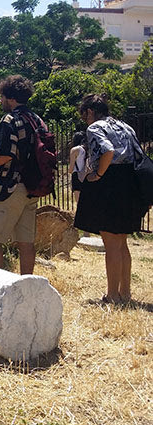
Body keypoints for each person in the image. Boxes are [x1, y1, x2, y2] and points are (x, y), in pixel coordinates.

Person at [74, 94, 146, 304]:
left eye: (85, 116)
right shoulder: (125, 126)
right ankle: (125, 293)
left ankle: (112, 295)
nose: (86, 121)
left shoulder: (95, 127)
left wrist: (98, 175)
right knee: (121, 242)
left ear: (89, 112)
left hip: (110, 183)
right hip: (130, 182)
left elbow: (107, 150)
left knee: (111, 243)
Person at [0, 75, 42, 274]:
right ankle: (27, 284)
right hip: (33, 187)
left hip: (10, 186)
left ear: (11, 97)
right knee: (26, 242)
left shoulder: (10, 120)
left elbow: (5, 155)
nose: (1, 101)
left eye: (3, 97)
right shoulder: (37, 120)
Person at [69, 131, 87, 204]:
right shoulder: (88, 149)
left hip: (77, 175)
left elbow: (71, 168)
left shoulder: (75, 150)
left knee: (79, 202)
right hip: (88, 175)